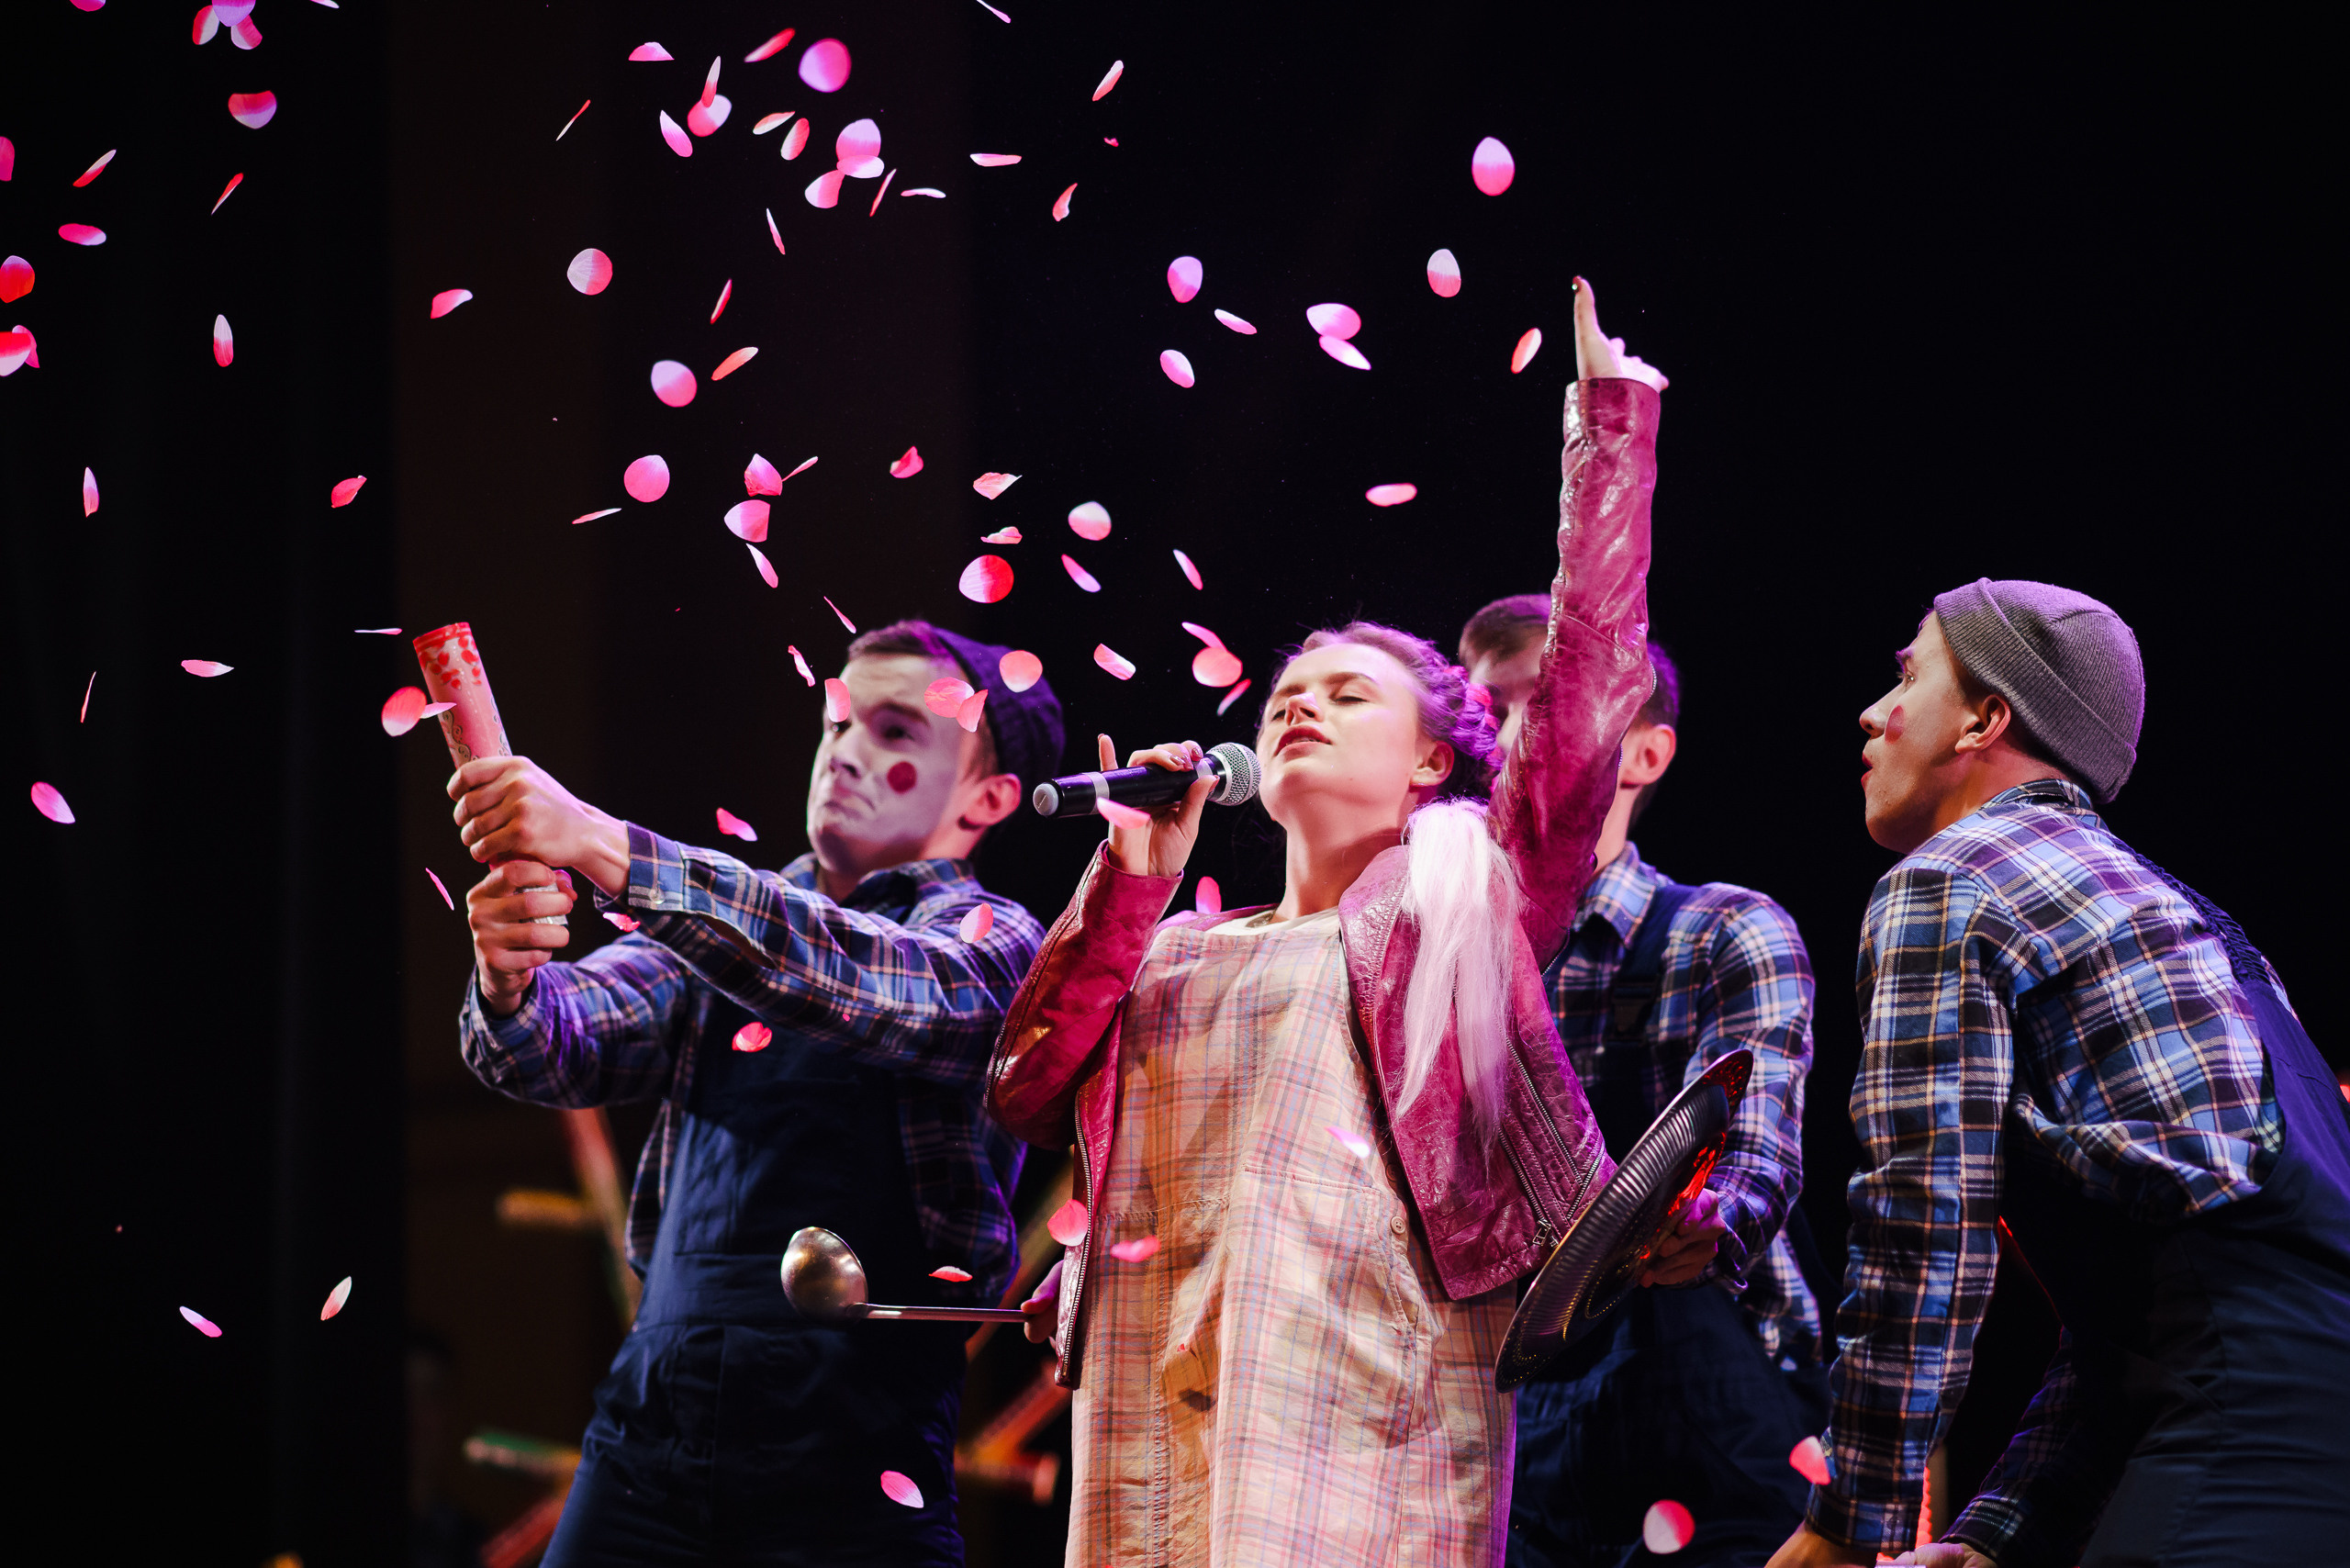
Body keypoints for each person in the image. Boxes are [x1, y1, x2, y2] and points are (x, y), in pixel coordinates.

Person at [989, 281, 1701, 1566]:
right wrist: (1130, 879)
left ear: (1433, 760)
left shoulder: (1460, 895)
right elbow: (1026, 1084)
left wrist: (1611, 425)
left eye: (1347, 695)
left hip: (1368, 1389)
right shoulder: (1180, 945)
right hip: (1157, 1382)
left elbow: (1589, 679)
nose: (1298, 707)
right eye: (1285, 697)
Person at [446, 621, 1063, 1567]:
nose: (846, 751)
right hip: (646, 1439)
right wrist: (508, 975)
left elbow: (860, 979)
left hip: (855, 1463)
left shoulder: (996, 942)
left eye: (896, 731)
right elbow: (550, 1050)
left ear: (989, 797)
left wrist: (605, 846)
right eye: (839, 722)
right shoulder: (712, 928)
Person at [1768, 582, 2350, 1568]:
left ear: (1983, 720)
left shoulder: (1952, 880)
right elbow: (2142, 1322)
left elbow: (1921, 1224)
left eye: (1908, 676)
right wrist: (1997, 1537)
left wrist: (1847, 1521)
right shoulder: (2188, 916)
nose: (1872, 711)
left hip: (2248, 1444)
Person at [1460, 605, 1825, 1567]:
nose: (1496, 737)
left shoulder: (1721, 930)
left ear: (1645, 755)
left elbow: (1756, 1147)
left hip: (1712, 1404)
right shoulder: (1435, 968)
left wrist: (1711, 1217)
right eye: (1479, 712)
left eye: (1538, 704)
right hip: (1501, 1411)